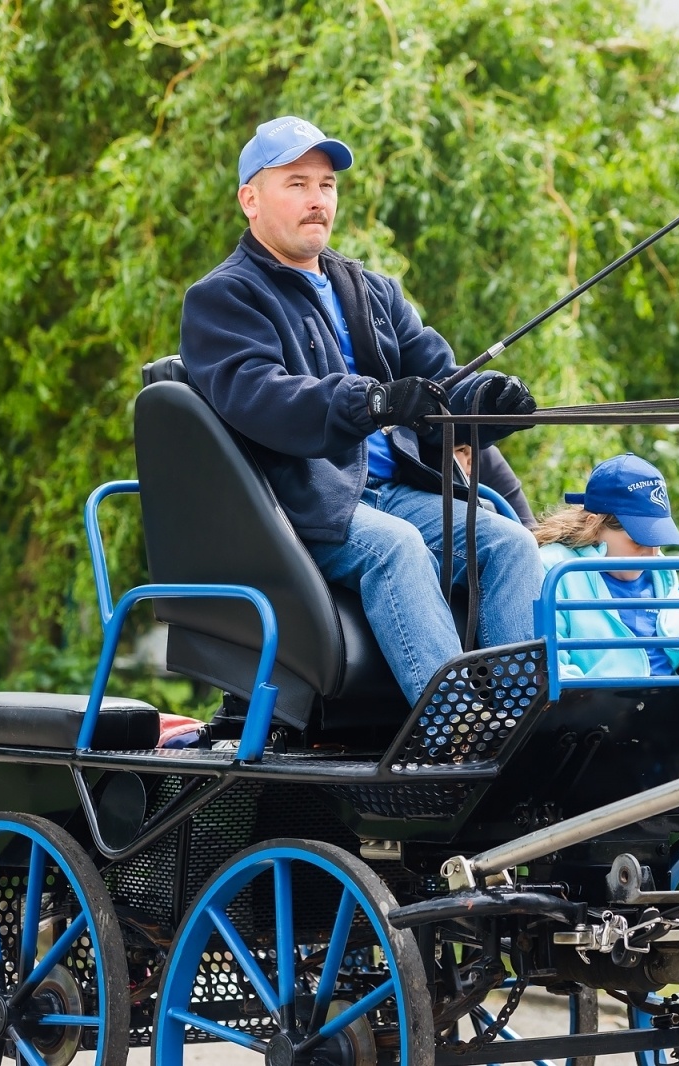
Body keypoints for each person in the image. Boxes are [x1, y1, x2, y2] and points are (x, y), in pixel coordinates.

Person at [179, 116, 545, 705]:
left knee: (509, 543)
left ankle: (522, 719)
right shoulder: (224, 297)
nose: (317, 200)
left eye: (326, 185)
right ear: (250, 199)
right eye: (296, 184)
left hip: (393, 491)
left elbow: (439, 378)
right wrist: (370, 399)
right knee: (395, 546)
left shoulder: (370, 290)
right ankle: (455, 730)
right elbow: (261, 395)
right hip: (299, 503)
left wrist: (485, 403)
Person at [535, 454, 679, 679]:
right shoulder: (554, 569)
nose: (652, 554)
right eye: (638, 540)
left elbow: (674, 653)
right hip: (604, 705)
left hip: (671, 699)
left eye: (657, 540)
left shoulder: (661, 572)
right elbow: (553, 670)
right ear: (593, 526)